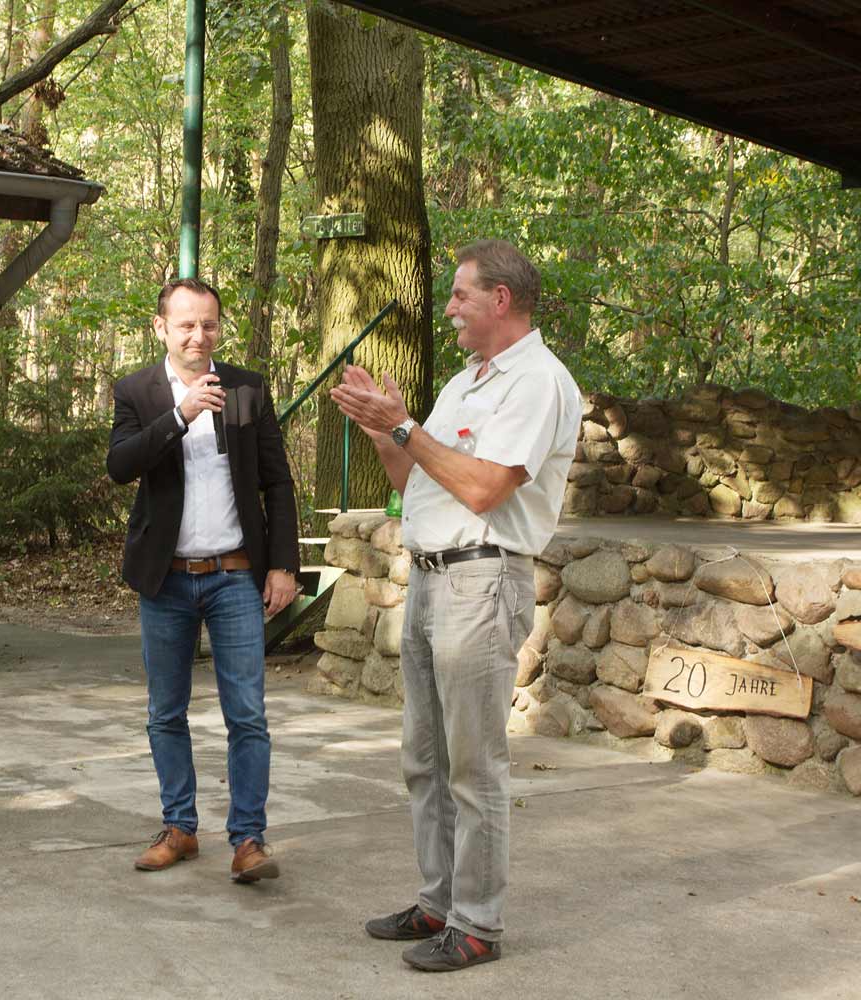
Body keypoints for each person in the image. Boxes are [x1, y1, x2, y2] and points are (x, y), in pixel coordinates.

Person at [330, 240, 581, 971]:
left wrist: (408, 426)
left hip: (482, 577)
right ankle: (438, 901)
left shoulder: (537, 382)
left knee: (474, 765)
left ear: (501, 299)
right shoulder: (470, 381)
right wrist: (385, 431)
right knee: (426, 757)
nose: (450, 309)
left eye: (461, 295)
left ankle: (477, 924)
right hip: (434, 576)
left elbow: (483, 489)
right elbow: (418, 483)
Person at [106, 277, 300, 883]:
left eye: (209, 324)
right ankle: (180, 828)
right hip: (166, 580)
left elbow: (278, 482)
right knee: (166, 710)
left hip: (235, 576)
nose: (199, 335)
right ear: (161, 327)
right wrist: (180, 414)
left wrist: (284, 565)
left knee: (247, 714)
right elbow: (120, 465)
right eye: (186, 324)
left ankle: (249, 841)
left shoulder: (247, 388)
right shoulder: (136, 391)